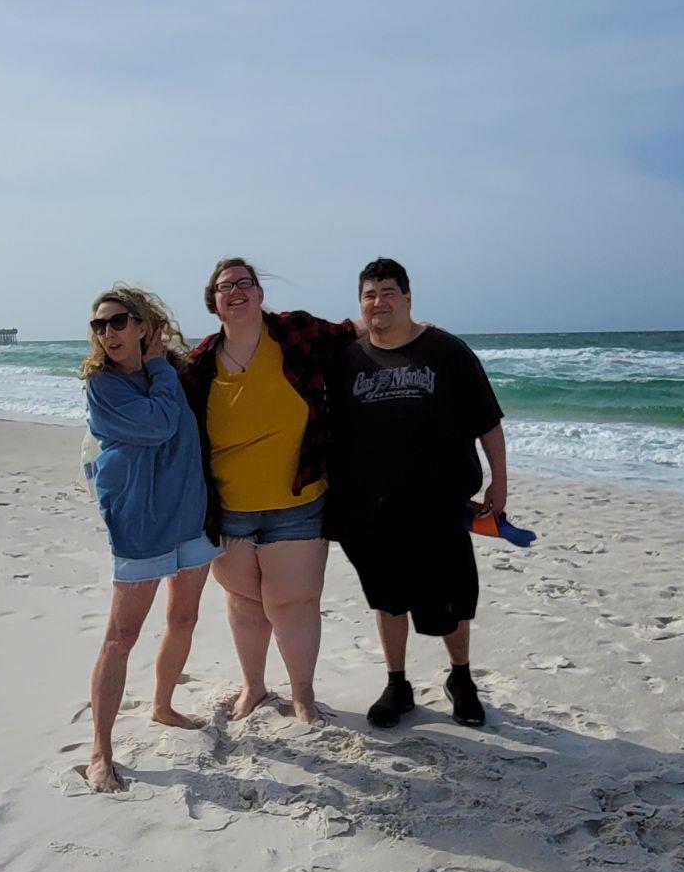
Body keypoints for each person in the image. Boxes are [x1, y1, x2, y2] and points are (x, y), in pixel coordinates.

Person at [327, 257, 507, 729]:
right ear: (360, 304)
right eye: (369, 294)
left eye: (388, 292)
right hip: (373, 509)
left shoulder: (447, 351)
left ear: (408, 298)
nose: (379, 302)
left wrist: (499, 481)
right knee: (387, 599)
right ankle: (397, 683)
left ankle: (461, 679)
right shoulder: (348, 359)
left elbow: (488, 419)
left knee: (452, 602)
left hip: (438, 507)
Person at [184, 258, 358, 724]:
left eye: (245, 283)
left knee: (293, 602)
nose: (236, 291)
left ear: (260, 294)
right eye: (225, 286)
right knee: (243, 603)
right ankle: (254, 688)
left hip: (298, 502)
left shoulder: (295, 334)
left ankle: (302, 695)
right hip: (228, 509)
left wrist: (411, 328)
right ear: (213, 302)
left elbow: (351, 333)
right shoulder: (199, 365)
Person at [81, 285, 221, 791]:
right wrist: (160, 366)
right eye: (100, 325)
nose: (109, 333)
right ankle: (100, 751)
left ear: (143, 326)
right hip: (140, 521)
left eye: (118, 322)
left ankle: (162, 705)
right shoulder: (102, 384)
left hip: (188, 513)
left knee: (183, 617)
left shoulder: (178, 371)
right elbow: (161, 424)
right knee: (122, 636)